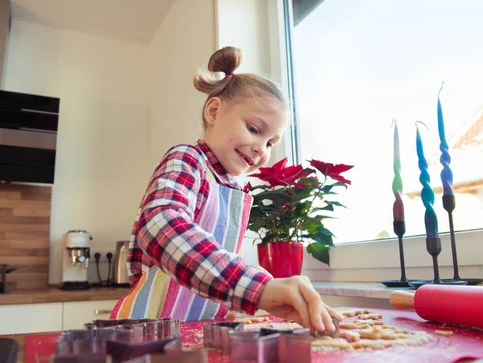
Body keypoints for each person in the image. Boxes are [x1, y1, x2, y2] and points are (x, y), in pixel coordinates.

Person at [110, 46, 342, 333]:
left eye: (271, 143)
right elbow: (161, 224)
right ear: (214, 111)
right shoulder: (188, 160)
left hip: (206, 334)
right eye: (255, 129)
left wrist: (264, 283)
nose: (261, 149)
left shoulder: (234, 190)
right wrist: (257, 288)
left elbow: (217, 259)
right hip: (152, 333)